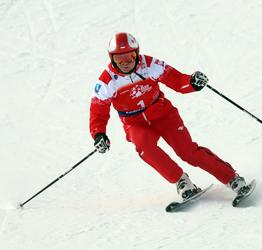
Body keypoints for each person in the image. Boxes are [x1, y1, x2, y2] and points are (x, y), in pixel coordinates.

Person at [89, 32, 248, 200]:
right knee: (145, 148)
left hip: (163, 114)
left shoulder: (149, 65)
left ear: (137, 53)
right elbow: (98, 111)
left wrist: (192, 82)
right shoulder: (107, 81)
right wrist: (99, 134)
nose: (126, 63)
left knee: (187, 152)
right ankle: (182, 181)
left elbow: (177, 80)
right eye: (119, 59)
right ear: (112, 58)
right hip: (134, 123)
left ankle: (232, 179)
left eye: (130, 57)